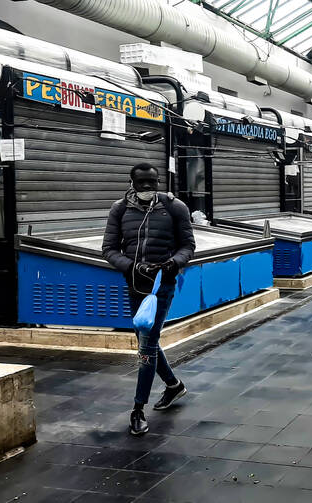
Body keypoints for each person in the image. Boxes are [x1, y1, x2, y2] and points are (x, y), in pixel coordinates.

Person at [102, 162, 196, 436]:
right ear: (131, 182)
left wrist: (173, 263)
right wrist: (131, 266)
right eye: (141, 182)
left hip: (162, 286)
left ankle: (137, 409)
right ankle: (174, 385)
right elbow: (108, 248)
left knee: (146, 343)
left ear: (159, 182)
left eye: (152, 183)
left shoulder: (174, 207)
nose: (146, 188)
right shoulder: (119, 209)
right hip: (135, 285)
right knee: (147, 340)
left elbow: (188, 245)